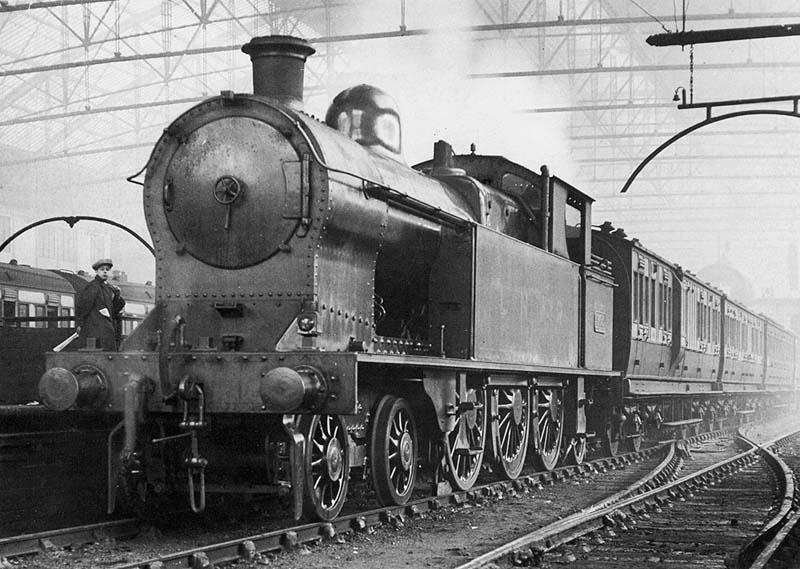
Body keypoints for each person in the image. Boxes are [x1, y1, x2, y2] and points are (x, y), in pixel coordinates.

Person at [75, 259, 126, 350]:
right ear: (96, 271)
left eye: (107, 269)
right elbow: (85, 307)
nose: (105, 271)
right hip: (95, 328)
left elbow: (112, 310)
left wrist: (117, 296)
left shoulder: (108, 288)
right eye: (102, 269)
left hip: (105, 329)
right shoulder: (93, 287)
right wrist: (80, 323)